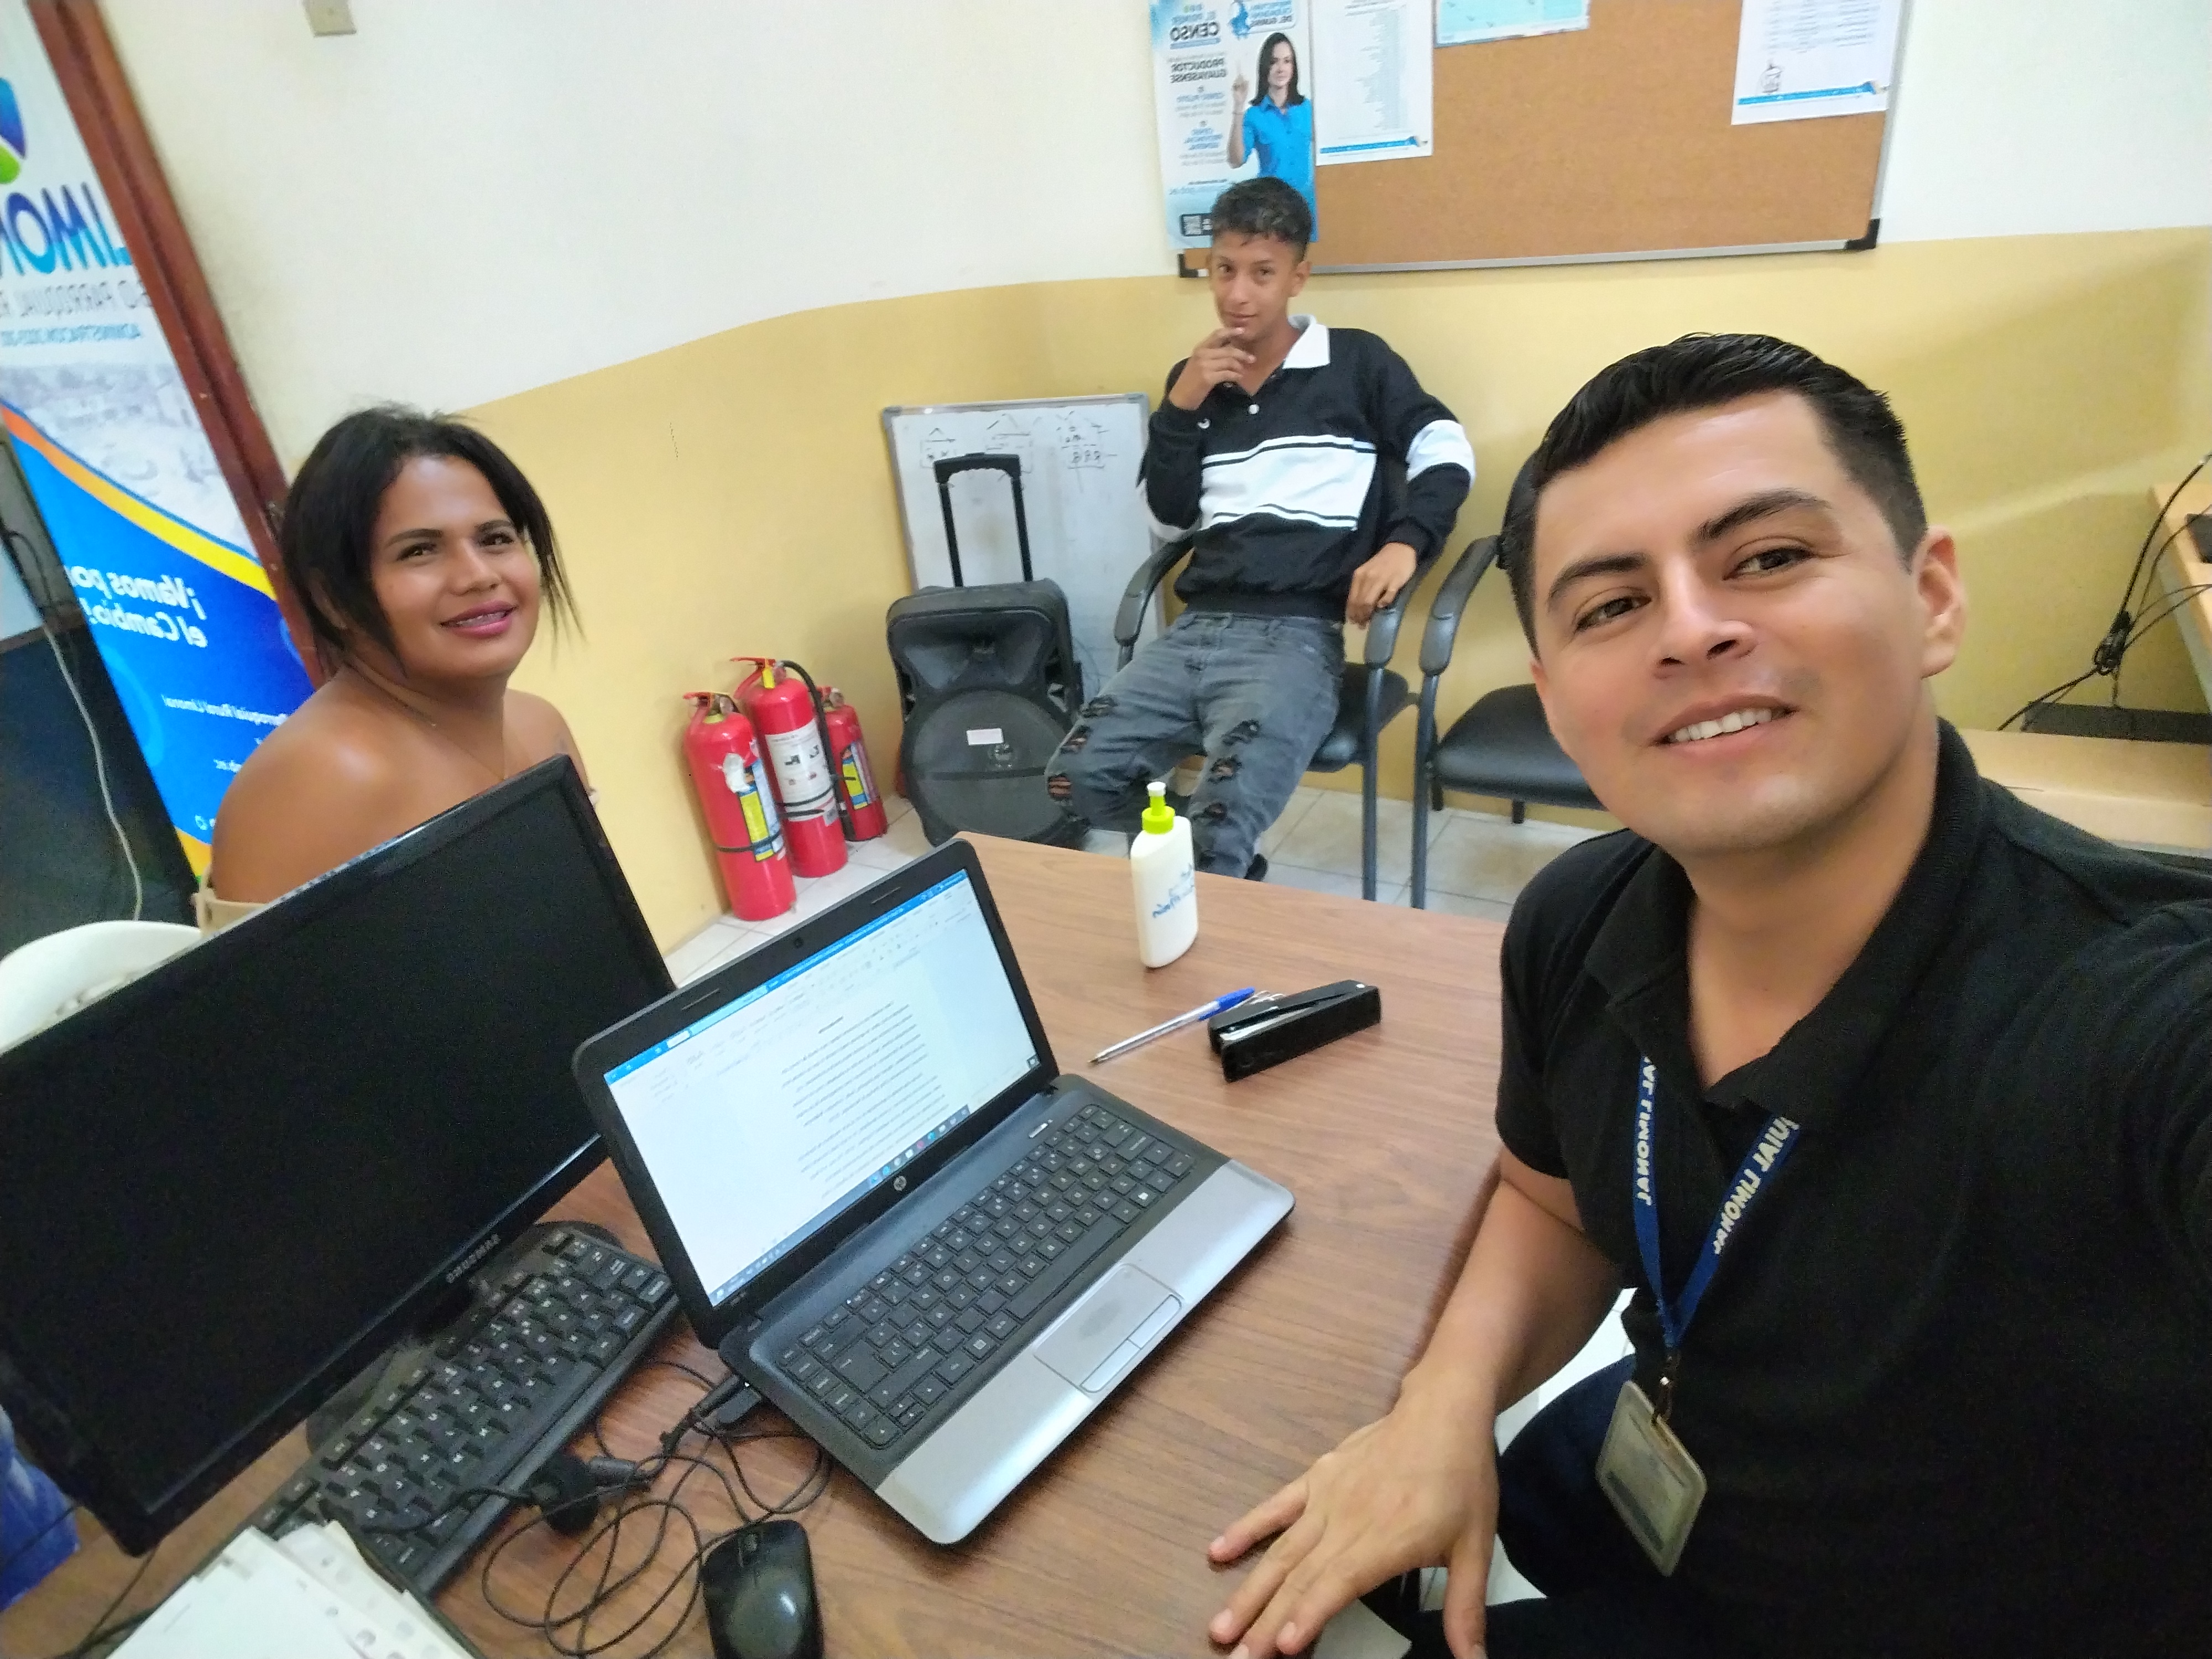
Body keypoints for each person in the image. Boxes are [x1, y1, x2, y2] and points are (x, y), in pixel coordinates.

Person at [1202, 333, 2212, 1658]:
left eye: (1769, 557)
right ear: (1554, 700)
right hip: (1692, 1444)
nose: (1690, 629)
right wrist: (1444, 1401)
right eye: (1609, 606)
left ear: (1931, 599)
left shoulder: (2139, 1019)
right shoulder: (1575, 919)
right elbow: (1548, 1198)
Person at [1047, 177, 1471, 877]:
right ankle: (1213, 867)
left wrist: (1407, 542)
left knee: (1220, 832)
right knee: (1076, 779)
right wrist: (1181, 406)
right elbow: (1167, 521)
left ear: (1297, 277)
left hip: (1295, 637)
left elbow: (1444, 447)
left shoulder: (1355, 362)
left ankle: (1211, 880)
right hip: (1194, 629)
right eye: (1224, 270)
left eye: (1262, 273)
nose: (1238, 294)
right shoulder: (1194, 379)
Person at [203, 407, 586, 927]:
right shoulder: (316, 780)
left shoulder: (541, 726)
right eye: (420, 551)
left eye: (495, 539)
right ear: (332, 598)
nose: (478, 575)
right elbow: (271, 983)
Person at [1227, 32, 1316, 231]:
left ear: (1294, 67)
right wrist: (1239, 105)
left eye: (1287, 61)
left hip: (1307, 206)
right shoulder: (1254, 115)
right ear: (1265, 67)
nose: (1281, 68)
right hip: (1272, 212)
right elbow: (1236, 160)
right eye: (1274, 62)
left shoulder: (1308, 108)